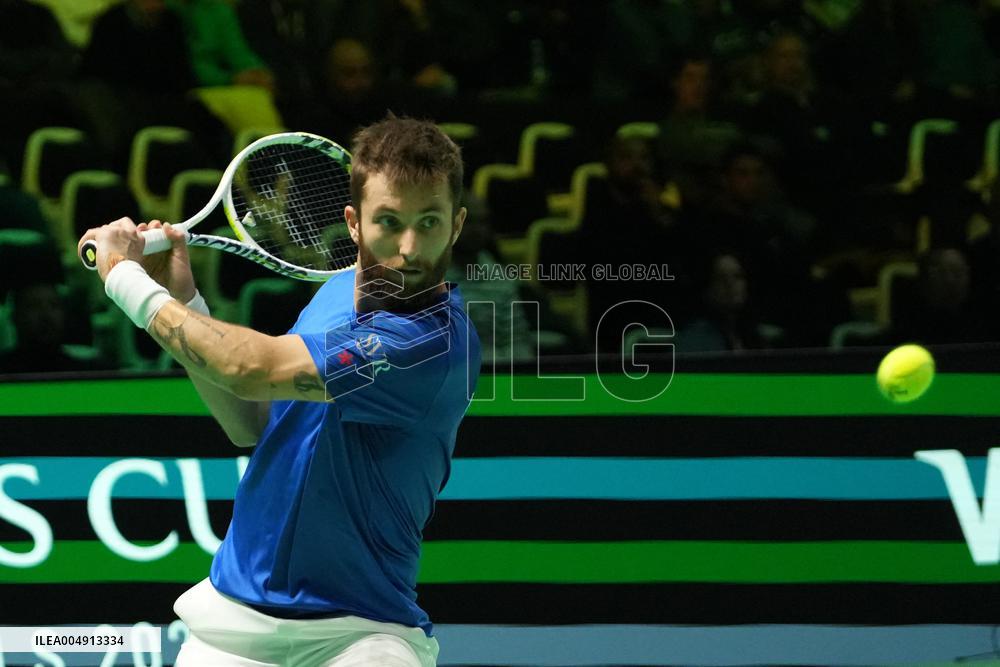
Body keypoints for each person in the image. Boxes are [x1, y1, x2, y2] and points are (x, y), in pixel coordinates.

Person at [78, 117, 480, 666]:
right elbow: (250, 421)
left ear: (456, 225)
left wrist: (124, 278)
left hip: (360, 633)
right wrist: (185, 299)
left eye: (428, 222)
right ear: (354, 224)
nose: (409, 248)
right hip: (231, 622)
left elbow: (246, 365)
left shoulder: (432, 343)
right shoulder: (336, 293)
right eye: (389, 221)